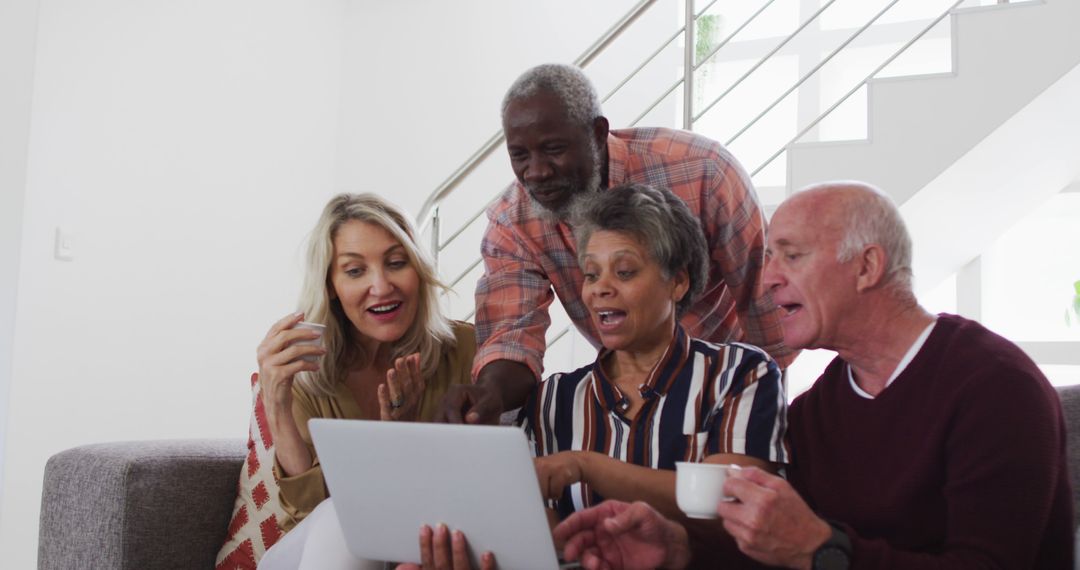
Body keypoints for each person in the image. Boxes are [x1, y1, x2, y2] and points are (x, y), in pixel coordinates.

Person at [553, 181, 1074, 569]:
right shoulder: (819, 407)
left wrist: (821, 549)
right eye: (771, 256)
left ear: (867, 267)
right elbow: (774, 549)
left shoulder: (996, 388)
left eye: (792, 256)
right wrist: (677, 548)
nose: (770, 277)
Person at [438, 63, 791, 425]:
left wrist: (757, 402)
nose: (537, 172)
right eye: (520, 156)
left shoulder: (704, 171)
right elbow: (512, 336)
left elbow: (764, 300)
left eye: (553, 149)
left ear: (597, 133)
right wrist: (490, 394)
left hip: (728, 382)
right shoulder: (512, 222)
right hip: (629, 395)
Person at [521, 183, 787, 526]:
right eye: (591, 274)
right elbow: (543, 526)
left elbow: (731, 502)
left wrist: (585, 466)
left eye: (625, 272)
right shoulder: (552, 398)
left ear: (678, 282)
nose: (601, 288)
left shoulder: (739, 373)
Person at [256, 193, 476, 570]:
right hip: (314, 550)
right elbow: (307, 514)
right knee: (340, 523)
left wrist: (399, 440)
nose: (381, 285)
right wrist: (275, 403)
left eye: (396, 263)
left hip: (423, 545)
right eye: (355, 271)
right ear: (330, 285)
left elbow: (473, 489)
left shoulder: (465, 351)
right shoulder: (306, 368)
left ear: (419, 270)